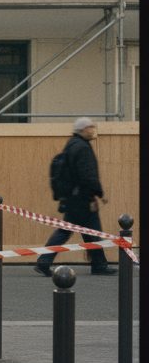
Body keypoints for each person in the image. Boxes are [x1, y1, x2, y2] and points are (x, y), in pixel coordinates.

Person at [35, 117, 116, 277]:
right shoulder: (82, 148)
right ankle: (98, 265)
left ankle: (97, 263)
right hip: (82, 199)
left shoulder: (72, 144)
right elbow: (87, 175)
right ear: (83, 130)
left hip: (74, 197)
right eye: (90, 127)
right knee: (88, 231)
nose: (93, 130)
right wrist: (99, 193)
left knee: (82, 231)